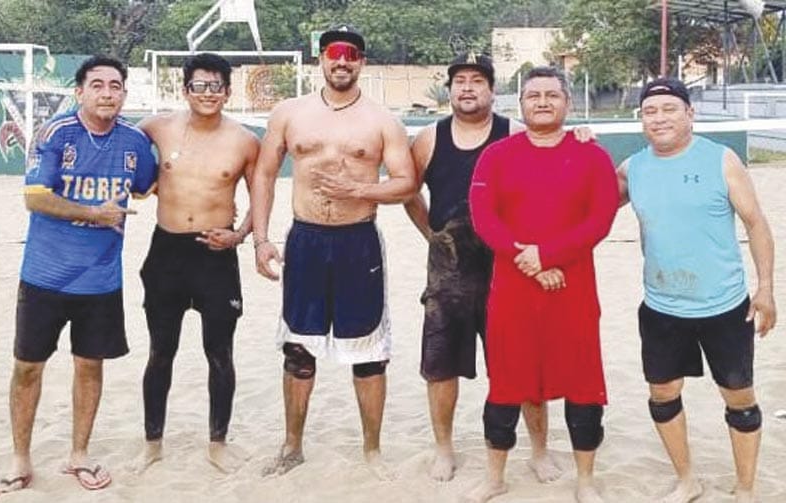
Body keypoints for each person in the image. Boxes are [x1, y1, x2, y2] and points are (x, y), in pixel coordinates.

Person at [251, 25, 415, 478]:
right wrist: (261, 238)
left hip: (356, 241)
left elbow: (405, 183)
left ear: (362, 62)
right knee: (298, 348)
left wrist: (358, 189)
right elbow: (264, 174)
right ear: (320, 58)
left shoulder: (382, 121)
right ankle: (292, 446)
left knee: (368, 352)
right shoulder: (290, 113)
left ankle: (372, 450)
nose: (342, 62)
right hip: (305, 239)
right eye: (334, 53)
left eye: (352, 55)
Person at [0, 55, 156, 495]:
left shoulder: (133, 141)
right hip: (45, 276)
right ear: (79, 92)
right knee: (28, 367)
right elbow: (34, 197)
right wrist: (93, 213)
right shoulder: (56, 133)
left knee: (89, 365)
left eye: (115, 86)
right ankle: (21, 457)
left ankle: (79, 454)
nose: (107, 93)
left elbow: (149, 185)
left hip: (101, 280)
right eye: (97, 85)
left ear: (124, 94)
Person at [404, 52, 564, 483]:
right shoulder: (429, 139)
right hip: (449, 271)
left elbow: (552, 179)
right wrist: (432, 234)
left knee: (524, 365)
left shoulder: (514, 133)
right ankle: (443, 448)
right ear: (450, 90)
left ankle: (539, 450)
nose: (468, 88)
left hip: (507, 269)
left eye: (477, 80)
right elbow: (408, 191)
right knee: (440, 365)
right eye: (460, 81)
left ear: (493, 91)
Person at [617, 77, 776, 503]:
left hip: (724, 306)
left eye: (669, 109)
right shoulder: (633, 168)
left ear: (690, 113)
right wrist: (578, 142)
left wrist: (765, 288)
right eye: (650, 111)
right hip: (662, 307)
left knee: (739, 399)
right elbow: (586, 202)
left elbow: (756, 224)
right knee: (663, 395)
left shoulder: (721, 160)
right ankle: (687, 479)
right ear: (641, 119)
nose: (659, 118)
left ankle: (745, 489)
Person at [466, 66, 619, 503]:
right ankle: (495, 477)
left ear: (567, 103)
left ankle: (585, 480)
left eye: (552, 95)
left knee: (583, 383)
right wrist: (530, 261)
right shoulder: (496, 155)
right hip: (513, 291)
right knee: (507, 382)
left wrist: (549, 255)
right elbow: (483, 216)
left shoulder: (592, 156)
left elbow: (601, 218)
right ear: (521, 104)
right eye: (534, 95)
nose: (543, 102)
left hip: (573, 289)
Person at [132, 53, 260, 474]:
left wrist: (240, 235)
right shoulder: (158, 127)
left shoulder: (244, 141)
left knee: (219, 353)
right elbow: (118, 145)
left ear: (227, 91)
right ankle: (152, 443)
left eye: (216, 86)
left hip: (215, 255)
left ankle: (217, 443)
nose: (208, 93)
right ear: (185, 90)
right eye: (199, 86)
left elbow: (261, 198)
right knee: (160, 352)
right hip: (167, 252)